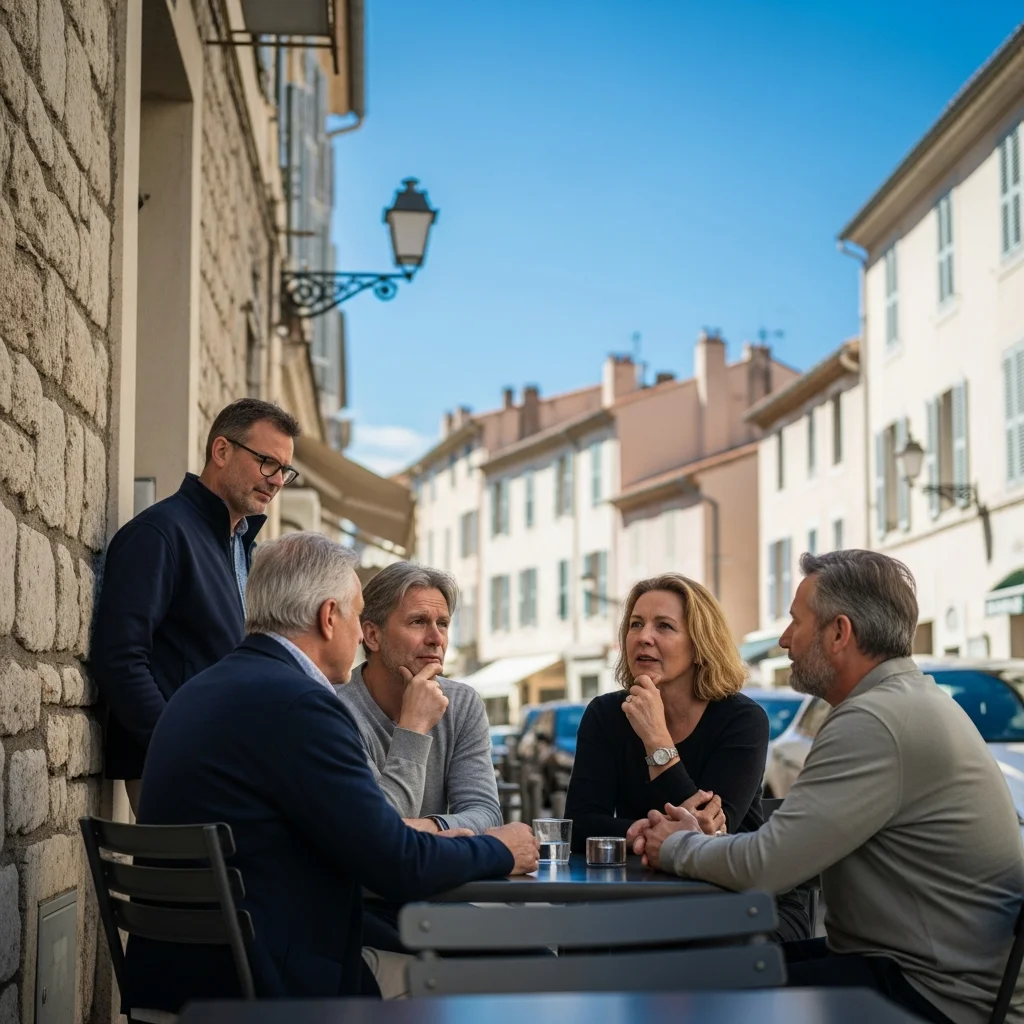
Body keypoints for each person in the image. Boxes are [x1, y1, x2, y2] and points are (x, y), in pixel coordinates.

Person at [123, 533, 538, 1013]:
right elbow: (394, 863)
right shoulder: (300, 705)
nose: (359, 636)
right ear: (328, 617)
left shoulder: (201, 690)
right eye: (356, 616)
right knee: (524, 972)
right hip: (265, 983)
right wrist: (500, 848)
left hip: (176, 973)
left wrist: (417, 832)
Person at [629, 550, 1024, 1024]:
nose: (784, 639)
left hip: (934, 998)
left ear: (839, 633)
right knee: (708, 970)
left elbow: (766, 868)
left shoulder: (875, 721)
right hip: (925, 975)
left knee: (688, 991)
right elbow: (796, 855)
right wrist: (705, 842)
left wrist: (675, 845)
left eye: (797, 622)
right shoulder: (907, 702)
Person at [564, 573, 809, 942]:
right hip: (643, 899)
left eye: (664, 626)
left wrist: (656, 739)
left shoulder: (742, 719)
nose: (644, 636)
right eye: (635, 624)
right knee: (584, 934)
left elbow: (714, 834)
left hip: (745, 902)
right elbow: (580, 824)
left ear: (699, 644)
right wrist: (646, 834)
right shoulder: (605, 715)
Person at [91, 399, 301, 812]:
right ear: (221, 451)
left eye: (284, 470)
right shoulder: (158, 534)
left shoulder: (241, 547)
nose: (277, 481)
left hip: (228, 767)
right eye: (267, 463)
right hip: (178, 770)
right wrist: (180, 748)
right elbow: (119, 659)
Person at [336, 562, 501, 834]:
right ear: (372, 635)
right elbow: (374, 832)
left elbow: (486, 814)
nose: (436, 638)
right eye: (418, 622)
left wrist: (428, 828)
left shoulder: (462, 703)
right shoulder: (336, 709)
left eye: (443, 624)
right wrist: (414, 727)